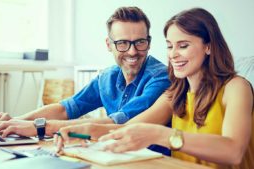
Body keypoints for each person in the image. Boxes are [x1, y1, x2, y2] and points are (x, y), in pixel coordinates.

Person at [56, 8, 253, 169]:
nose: (173, 55)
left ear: (208, 46)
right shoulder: (176, 93)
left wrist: (161, 135)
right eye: (169, 46)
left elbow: (233, 151)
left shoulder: (236, 88)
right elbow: (127, 128)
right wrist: (82, 130)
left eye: (183, 46)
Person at [0, 7, 170, 142]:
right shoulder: (107, 77)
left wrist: (40, 126)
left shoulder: (160, 77)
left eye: (140, 42)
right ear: (108, 44)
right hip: (114, 153)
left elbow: (120, 121)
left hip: (149, 159)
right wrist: (16, 121)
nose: (132, 51)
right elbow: (66, 108)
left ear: (149, 42)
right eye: (122, 43)